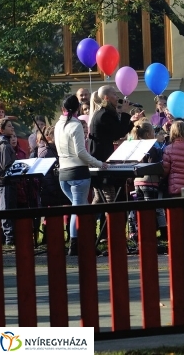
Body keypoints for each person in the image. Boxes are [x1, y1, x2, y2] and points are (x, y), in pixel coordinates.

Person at [55, 95, 107, 256]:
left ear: (63, 109)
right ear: (78, 108)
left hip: (63, 174)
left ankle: (86, 242)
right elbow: (81, 152)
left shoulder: (58, 124)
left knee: (81, 209)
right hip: (78, 173)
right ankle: (75, 244)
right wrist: (99, 163)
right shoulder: (75, 125)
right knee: (78, 210)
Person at [88, 85, 143, 203]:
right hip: (101, 159)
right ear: (106, 97)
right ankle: (108, 215)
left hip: (100, 157)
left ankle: (90, 215)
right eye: (114, 94)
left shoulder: (105, 113)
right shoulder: (104, 115)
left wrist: (130, 121)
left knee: (99, 197)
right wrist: (124, 112)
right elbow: (118, 133)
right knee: (110, 197)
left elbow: (118, 131)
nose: (117, 97)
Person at [129, 121, 167, 240]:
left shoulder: (135, 147)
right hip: (150, 181)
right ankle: (161, 232)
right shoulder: (152, 148)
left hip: (137, 181)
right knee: (154, 208)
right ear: (148, 134)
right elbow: (153, 165)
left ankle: (142, 232)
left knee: (141, 209)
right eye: (153, 132)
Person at [0, 118, 17, 245]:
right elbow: (6, 166)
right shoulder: (3, 146)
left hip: (5, 182)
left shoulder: (3, 144)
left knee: (8, 208)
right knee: (6, 209)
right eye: (9, 126)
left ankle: (10, 237)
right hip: (5, 182)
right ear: (1, 130)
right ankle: (9, 239)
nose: (12, 128)